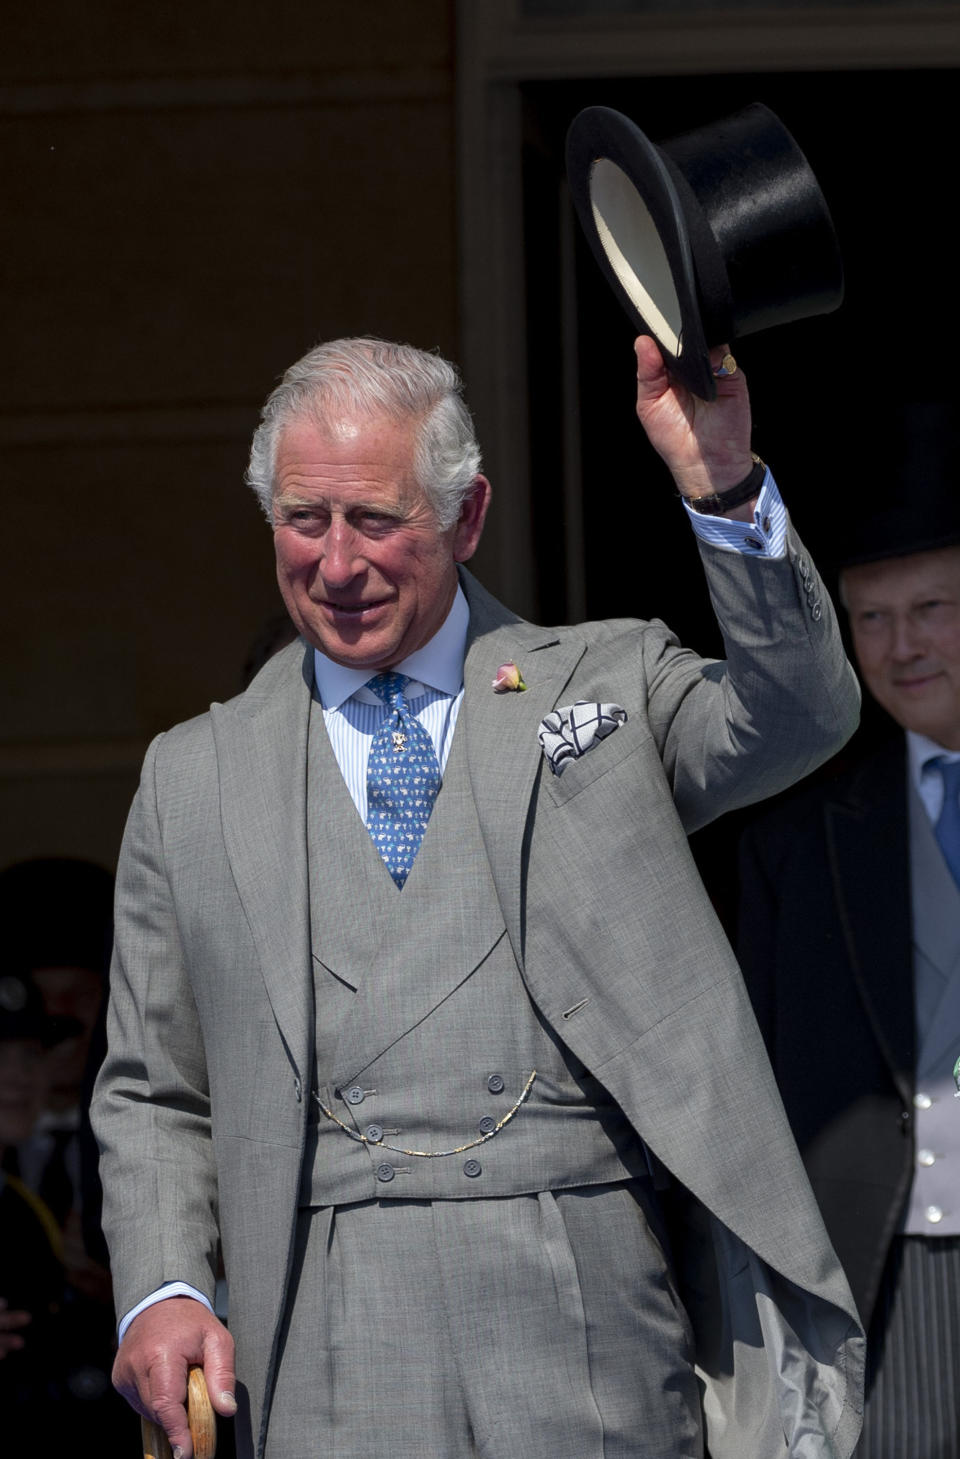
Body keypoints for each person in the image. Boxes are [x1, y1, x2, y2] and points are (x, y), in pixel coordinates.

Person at [93, 334, 864, 1459]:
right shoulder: (193, 775)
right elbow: (155, 1090)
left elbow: (798, 714)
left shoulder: (602, 685)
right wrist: (160, 1283)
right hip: (322, 1320)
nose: (338, 563)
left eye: (376, 520)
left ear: (467, 517)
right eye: (305, 520)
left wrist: (724, 487)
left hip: (584, 1298)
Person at [738, 448, 960, 1457]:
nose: (902, 645)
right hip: (887, 1273)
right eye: (872, 617)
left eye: (932, 609)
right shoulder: (798, 836)